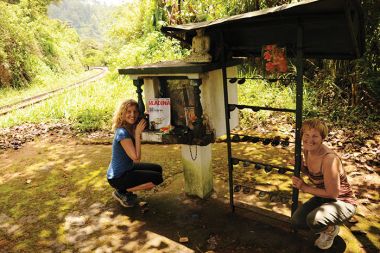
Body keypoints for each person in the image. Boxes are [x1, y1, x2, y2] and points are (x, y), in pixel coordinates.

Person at [291, 118, 356, 250]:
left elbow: (333, 193)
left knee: (314, 219)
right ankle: (325, 224)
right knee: (297, 221)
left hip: (342, 201)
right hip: (324, 197)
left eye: (315, 136)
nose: (310, 139)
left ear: (322, 138)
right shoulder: (307, 150)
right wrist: (302, 168)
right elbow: (315, 176)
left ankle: (331, 229)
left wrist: (304, 187)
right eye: (306, 135)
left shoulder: (329, 159)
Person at [107, 99, 163, 207]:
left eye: (135, 112)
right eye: (128, 112)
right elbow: (136, 159)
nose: (132, 115)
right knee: (157, 179)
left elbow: (144, 121)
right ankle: (121, 191)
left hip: (127, 168)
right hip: (117, 177)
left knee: (158, 169)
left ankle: (123, 190)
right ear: (122, 113)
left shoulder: (130, 126)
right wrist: (137, 135)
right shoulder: (122, 133)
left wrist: (149, 115)